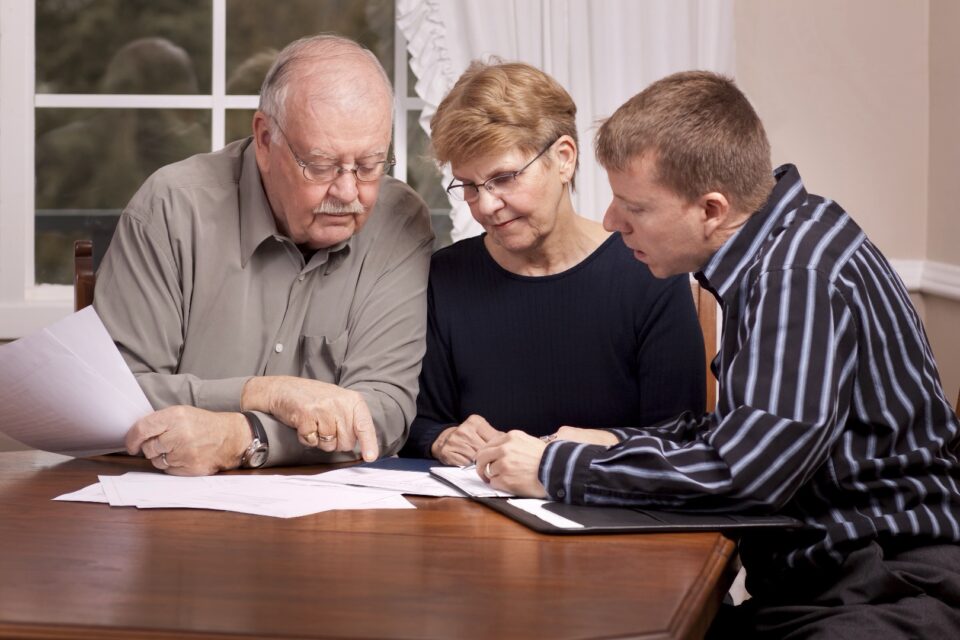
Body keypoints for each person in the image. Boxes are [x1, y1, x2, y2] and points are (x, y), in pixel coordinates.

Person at [475, 71, 960, 637]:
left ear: (710, 208)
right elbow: (750, 429)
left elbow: (749, 473)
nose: (611, 221)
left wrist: (554, 468)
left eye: (633, 205)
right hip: (838, 584)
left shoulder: (795, 277)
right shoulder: (794, 235)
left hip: (886, 590)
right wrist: (618, 441)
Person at [94, 35, 434, 475]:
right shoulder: (172, 208)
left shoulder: (399, 221)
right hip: (166, 506)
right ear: (265, 139)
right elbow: (114, 395)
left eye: (369, 166)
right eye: (321, 164)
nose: (349, 192)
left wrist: (244, 436)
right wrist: (264, 393)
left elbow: (383, 413)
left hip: (327, 525)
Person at [398, 61, 705, 465]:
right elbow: (417, 422)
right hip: (471, 518)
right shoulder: (447, 276)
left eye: (504, 178)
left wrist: (564, 453)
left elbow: (679, 438)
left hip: (612, 519)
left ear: (564, 158)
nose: (486, 206)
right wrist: (441, 438)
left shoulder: (650, 273)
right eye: (470, 187)